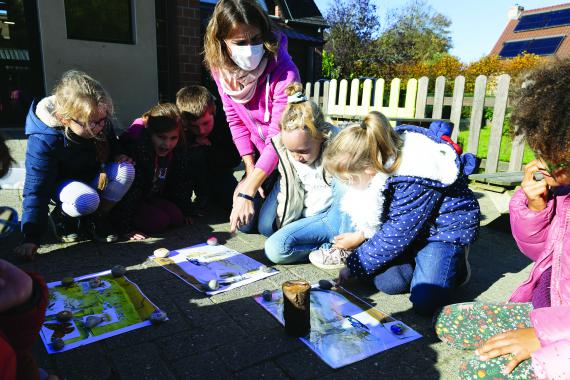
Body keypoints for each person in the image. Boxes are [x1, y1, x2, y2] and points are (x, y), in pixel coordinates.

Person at [435, 58, 570, 380]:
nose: (546, 165)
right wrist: (536, 206)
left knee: (480, 372)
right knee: (449, 320)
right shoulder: (564, 190)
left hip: (558, 327)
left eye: (556, 159)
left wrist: (541, 334)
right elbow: (540, 255)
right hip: (551, 306)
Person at [314, 111, 480, 316]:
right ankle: (420, 261)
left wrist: (354, 264)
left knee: (425, 301)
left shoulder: (414, 174)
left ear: (369, 170)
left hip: (443, 231)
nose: (349, 186)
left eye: (349, 180)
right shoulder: (379, 159)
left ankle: (457, 264)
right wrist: (362, 238)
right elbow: (391, 222)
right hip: (411, 229)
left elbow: (395, 234)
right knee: (390, 282)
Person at [16, 70, 134, 259]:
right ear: (65, 119)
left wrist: (119, 153)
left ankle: (96, 219)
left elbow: (111, 140)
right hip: (64, 185)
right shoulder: (44, 138)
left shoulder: (98, 118)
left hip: (93, 176)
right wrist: (31, 238)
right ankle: (62, 217)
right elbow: (36, 188)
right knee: (87, 200)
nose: (100, 127)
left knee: (126, 170)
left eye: (104, 120)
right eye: (92, 123)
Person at [204, 0, 300, 233]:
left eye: (256, 39)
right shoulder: (220, 72)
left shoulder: (285, 71)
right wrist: (249, 169)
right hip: (262, 156)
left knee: (267, 227)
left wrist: (248, 190)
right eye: (240, 42)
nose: (250, 48)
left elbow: (278, 138)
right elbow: (234, 120)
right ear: (221, 42)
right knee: (246, 225)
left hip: (289, 156)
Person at [264, 82, 344, 261]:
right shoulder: (289, 153)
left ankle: (334, 246)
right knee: (268, 233)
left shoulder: (337, 151)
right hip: (305, 215)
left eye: (303, 151)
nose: (296, 157)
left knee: (275, 248)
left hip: (329, 217)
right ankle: (325, 246)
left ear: (321, 137)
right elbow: (289, 189)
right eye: (291, 150)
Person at [113, 103, 193, 240]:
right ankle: (118, 222)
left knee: (177, 218)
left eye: (173, 138)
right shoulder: (138, 149)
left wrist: (185, 210)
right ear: (150, 134)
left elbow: (181, 180)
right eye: (162, 137)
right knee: (158, 222)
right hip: (131, 200)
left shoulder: (178, 150)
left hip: (152, 196)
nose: (167, 144)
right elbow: (133, 190)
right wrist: (125, 228)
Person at [176, 85, 240, 214]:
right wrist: (192, 142)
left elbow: (234, 159)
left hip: (221, 170)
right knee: (194, 154)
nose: (201, 131)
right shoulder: (181, 127)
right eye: (194, 126)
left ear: (214, 110)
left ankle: (212, 194)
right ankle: (202, 196)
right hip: (193, 175)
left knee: (232, 204)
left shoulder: (227, 122)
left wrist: (209, 147)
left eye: (205, 123)